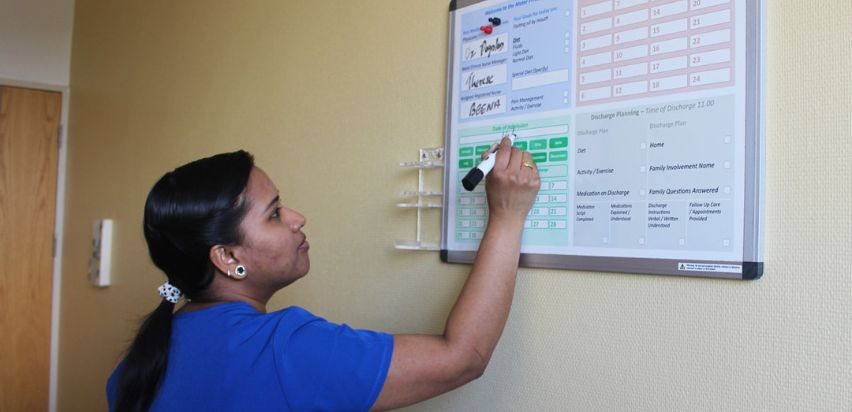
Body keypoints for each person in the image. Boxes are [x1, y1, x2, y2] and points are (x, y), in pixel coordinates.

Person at [107, 137, 540, 412]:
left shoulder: (135, 368)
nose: (297, 218)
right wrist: (506, 215)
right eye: (274, 213)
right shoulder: (284, 351)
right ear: (226, 256)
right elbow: (463, 358)